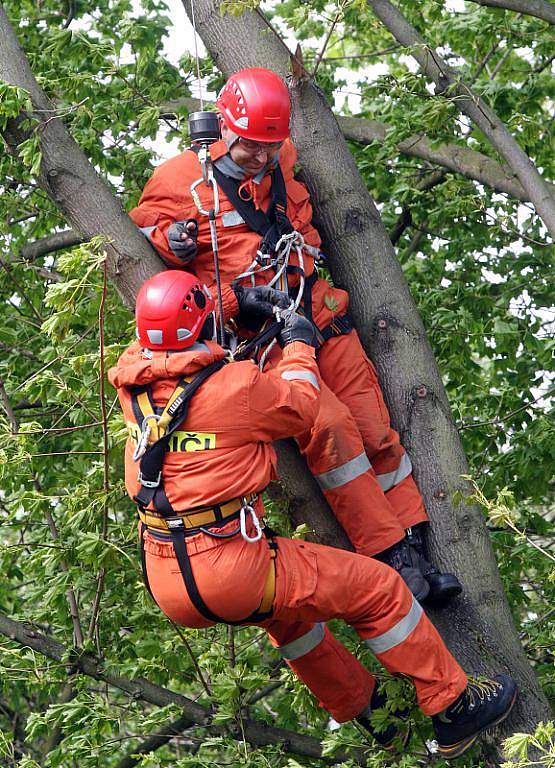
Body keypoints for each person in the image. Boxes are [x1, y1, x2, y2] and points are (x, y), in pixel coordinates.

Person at [109, 272, 517, 760]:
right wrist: (298, 344)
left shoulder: (131, 386)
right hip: (229, 566)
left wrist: (233, 302)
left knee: (290, 623)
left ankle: (373, 712)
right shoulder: (233, 388)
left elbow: (184, 365)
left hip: (168, 577)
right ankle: (452, 707)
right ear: (198, 325)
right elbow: (301, 406)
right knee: (381, 589)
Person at [129, 67, 462, 604]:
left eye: (269, 146)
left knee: (375, 432)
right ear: (222, 129)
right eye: (249, 148)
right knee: (328, 426)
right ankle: (390, 556)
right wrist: (176, 242)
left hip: (319, 315)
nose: (260, 158)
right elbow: (156, 259)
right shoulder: (177, 181)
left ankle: (414, 543)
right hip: (263, 340)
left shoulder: (280, 161)